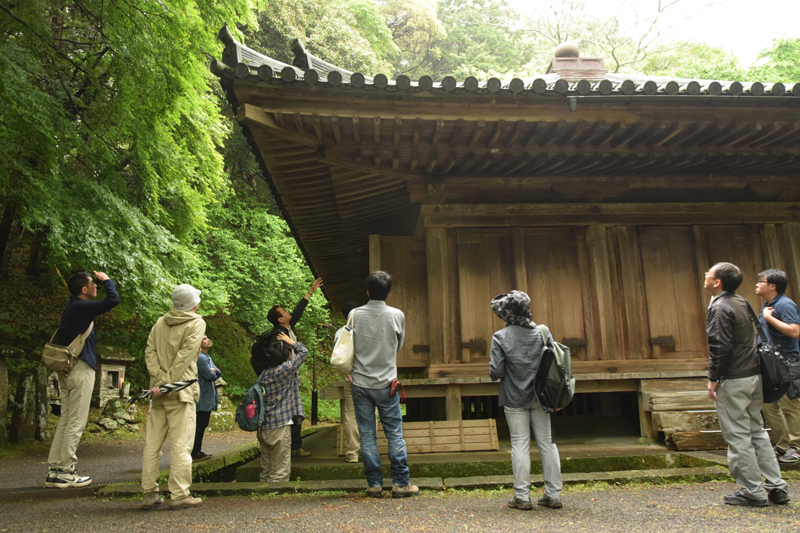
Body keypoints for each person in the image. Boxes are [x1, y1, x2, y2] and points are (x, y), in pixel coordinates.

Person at [705, 262, 790, 506]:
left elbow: (719, 345)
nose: (706, 275)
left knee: (738, 435)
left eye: (709, 273)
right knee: (757, 432)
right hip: (754, 375)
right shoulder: (741, 301)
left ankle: (752, 491)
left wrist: (713, 377)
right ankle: (776, 486)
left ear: (717, 282)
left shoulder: (720, 307)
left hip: (734, 378)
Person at [45, 271, 120, 489]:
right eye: (93, 284)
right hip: (81, 368)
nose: (96, 286)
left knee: (67, 419)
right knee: (76, 421)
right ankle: (66, 470)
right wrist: (107, 280)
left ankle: (55, 470)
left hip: (69, 370)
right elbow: (113, 300)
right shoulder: (80, 307)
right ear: (84, 290)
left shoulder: (72, 308)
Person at [489, 290, 563, 510]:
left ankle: (522, 497)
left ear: (507, 313)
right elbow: (553, 363)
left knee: (519, 444)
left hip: (514, 397)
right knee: (547, 444)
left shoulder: (500, 337)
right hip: (543, 397)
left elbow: (496, 372)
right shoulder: (543, 332)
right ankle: (553, 495)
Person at [350, 271, 418, 499]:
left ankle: (374, 485)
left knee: (367, 434)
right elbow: (398, 345)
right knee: (394, 433)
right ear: (388, 293)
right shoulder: (397, 315)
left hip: (360, 382)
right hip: (387, 384)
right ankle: (400, 484)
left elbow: (348, 344)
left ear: (367, 291)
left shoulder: (355, 315)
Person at [141, 284, 206, 510]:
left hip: (157, 392)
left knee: (152, 444)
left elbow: (150, 353)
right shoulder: (196, 323)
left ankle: (149, 493)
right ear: (193, 304)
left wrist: (159, 382)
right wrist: (168, 384)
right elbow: (185, 357)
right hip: (181, 391)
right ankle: (179, 493)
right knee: (181, 443)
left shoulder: (160, 323)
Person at [252, 277, 323, 457]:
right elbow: (279, 358)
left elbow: (298, 312)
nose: (288, 311)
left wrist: (310, 292)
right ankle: (291, 447)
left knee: (294, 411)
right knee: (290, 412)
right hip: (283, 379)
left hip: (290, 376)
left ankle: (293, 446)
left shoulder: (287, 328)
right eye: (284, 311)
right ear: (280, 319)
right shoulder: (279, 336)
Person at [755, 268, 800, 464]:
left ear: (772, 286)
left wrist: (769, 318)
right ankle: (782, 446)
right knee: (769, 405)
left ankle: (796, 447)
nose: (757, 284)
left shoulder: (785, 304)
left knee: (790, 405)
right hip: (770, 363)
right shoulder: (767, 305)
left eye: (761, 281)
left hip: (787, 362)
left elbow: (794, 331)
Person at [256, 333, 309, 482]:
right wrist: (289, 341)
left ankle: (262, 490)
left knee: (266, 467)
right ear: (286, 356)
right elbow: (304, 351)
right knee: (280, 469)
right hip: (280, 424)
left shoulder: (264, 375)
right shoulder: (285, 370)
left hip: (264, 425)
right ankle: (276, 494)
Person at [334, 300, 361, 463]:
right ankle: (369, 450)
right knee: (370, 414)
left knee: (351, 415)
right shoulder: (367, 329)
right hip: (368, 379)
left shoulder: (340, 332)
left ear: (345, 317)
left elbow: (337, 358)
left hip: (350, 379)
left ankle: (353, 453)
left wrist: (347, 373)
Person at [192, 335, 221, 462]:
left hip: (207, 396)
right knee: (200, 424)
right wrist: (213, 371)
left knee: (202, 423)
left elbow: (218, 372)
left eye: (207, 338)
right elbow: (210, 375)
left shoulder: (207, 357)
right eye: (204, 339)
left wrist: (214, 371)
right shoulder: (200, 358)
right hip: (202, 396)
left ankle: (197, 450)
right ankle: (194, 451)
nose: (207, 340)